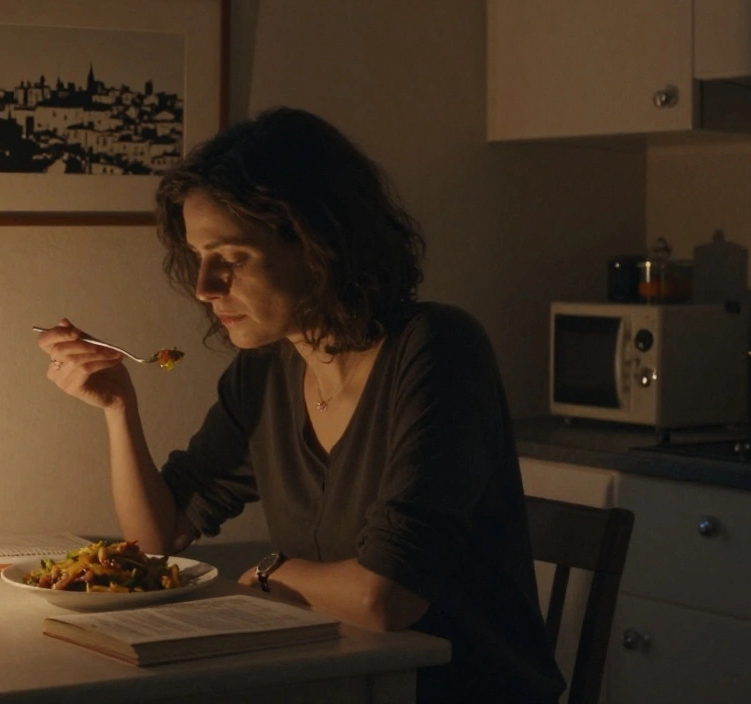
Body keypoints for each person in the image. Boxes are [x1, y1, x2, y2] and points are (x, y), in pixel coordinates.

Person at [36, 106, 565, 703]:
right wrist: (118, 409)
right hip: (331, 679)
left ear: (319, 245)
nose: (205, 287)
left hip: (445, 690)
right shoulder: (265, 372)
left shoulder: (438, 350)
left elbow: (384, 597)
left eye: (231, 259)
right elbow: (157, 537)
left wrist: (269, 573)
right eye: (198, 258)